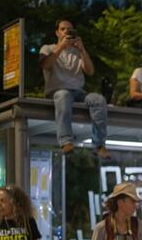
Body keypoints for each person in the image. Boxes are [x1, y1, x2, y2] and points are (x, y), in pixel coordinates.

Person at [39, 18, 108, 158]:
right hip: (57, 91)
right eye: (63, 29)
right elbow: (45, 65)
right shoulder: (48, 48)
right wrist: (61, 47)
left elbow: (90, 71)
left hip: (78, 92)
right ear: (57, 33)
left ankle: (99, 145)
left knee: (98, 100)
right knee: (64, 96)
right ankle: (66, 141)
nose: (66, 32)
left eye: (69, 29)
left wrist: (82, 49)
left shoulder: (77, 51)